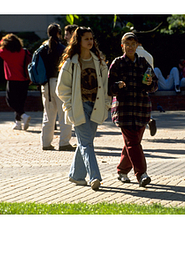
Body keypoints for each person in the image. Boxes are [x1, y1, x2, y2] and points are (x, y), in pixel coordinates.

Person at [56, 27, 111, 191]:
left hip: (96, 106)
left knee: (85, 142)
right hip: (79, 107)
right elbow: (61, 89)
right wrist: (70, 106)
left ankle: (76, 175)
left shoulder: (99, 61)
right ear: (78, 41)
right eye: (86, 38)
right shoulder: (70, 63)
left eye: (91, 38)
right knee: (87, 143)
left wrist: (106, 104)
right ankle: (95, 176)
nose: (90, 41)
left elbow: (106, 86)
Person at [108, 32, 158, 187]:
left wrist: (149, 83)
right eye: (127, 44)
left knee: (131, 144)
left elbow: (154, 85)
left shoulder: (143, 63)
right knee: (133, 143)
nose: (130, 47)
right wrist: (117, 86)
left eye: (133, 44)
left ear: (137, 46)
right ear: (122, 46)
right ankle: (141, 174)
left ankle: (122, 171)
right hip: (124, 111)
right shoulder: (117, 63)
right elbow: (108, 87)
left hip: (142, 110)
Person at [40, 23, 75, 151]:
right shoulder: (62, 49)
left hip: (46, 84)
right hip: (60, 82)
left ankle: (46, 143)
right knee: (64, 114)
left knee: (48, 115)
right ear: (59, 33)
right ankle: (64, 142)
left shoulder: (43, 48)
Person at [0, 33, 31, 130]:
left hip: (13, 80)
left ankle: (23, 116)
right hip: (24, 80)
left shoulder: (6, 53)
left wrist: (2, 39)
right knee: (20, 102)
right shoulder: (24, 52)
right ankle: (18, 123)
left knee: (10, 101)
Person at [136, 39, 156, 136]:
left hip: (133, 85)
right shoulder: (149, 55)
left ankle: (143, 125)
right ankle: (149, 119)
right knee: (143, 106)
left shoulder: (132, 53)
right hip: (145, 83)